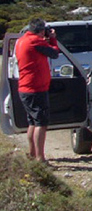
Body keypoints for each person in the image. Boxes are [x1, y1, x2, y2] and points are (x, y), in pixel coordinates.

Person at [15, 18, 59, 163]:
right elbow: (54, 53)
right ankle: (40, 158)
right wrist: (52, 39)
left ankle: (33, 154)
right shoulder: (35, 41)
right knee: (41, 123)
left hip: (26, 87)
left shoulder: (22, 40)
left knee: (32, 122)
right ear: (40, 31)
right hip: (35, 88)